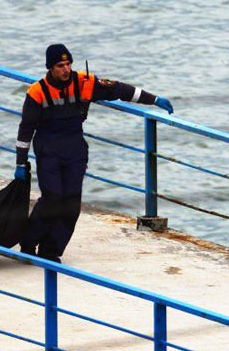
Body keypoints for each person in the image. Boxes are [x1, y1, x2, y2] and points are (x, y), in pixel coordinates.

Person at [14, 44, 173, 263]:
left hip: (74, 147)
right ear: (50, 68)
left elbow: (119, 90)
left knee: (71, 202)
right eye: (60, 66)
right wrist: (20, 164)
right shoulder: (37, 92)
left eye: (68, 64)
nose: (66, 69)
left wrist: (153, 99)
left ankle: (51, 250)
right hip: (48, 148)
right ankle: (29, 243)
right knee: (52, 198)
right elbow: (25, 129)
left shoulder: (84, 82)